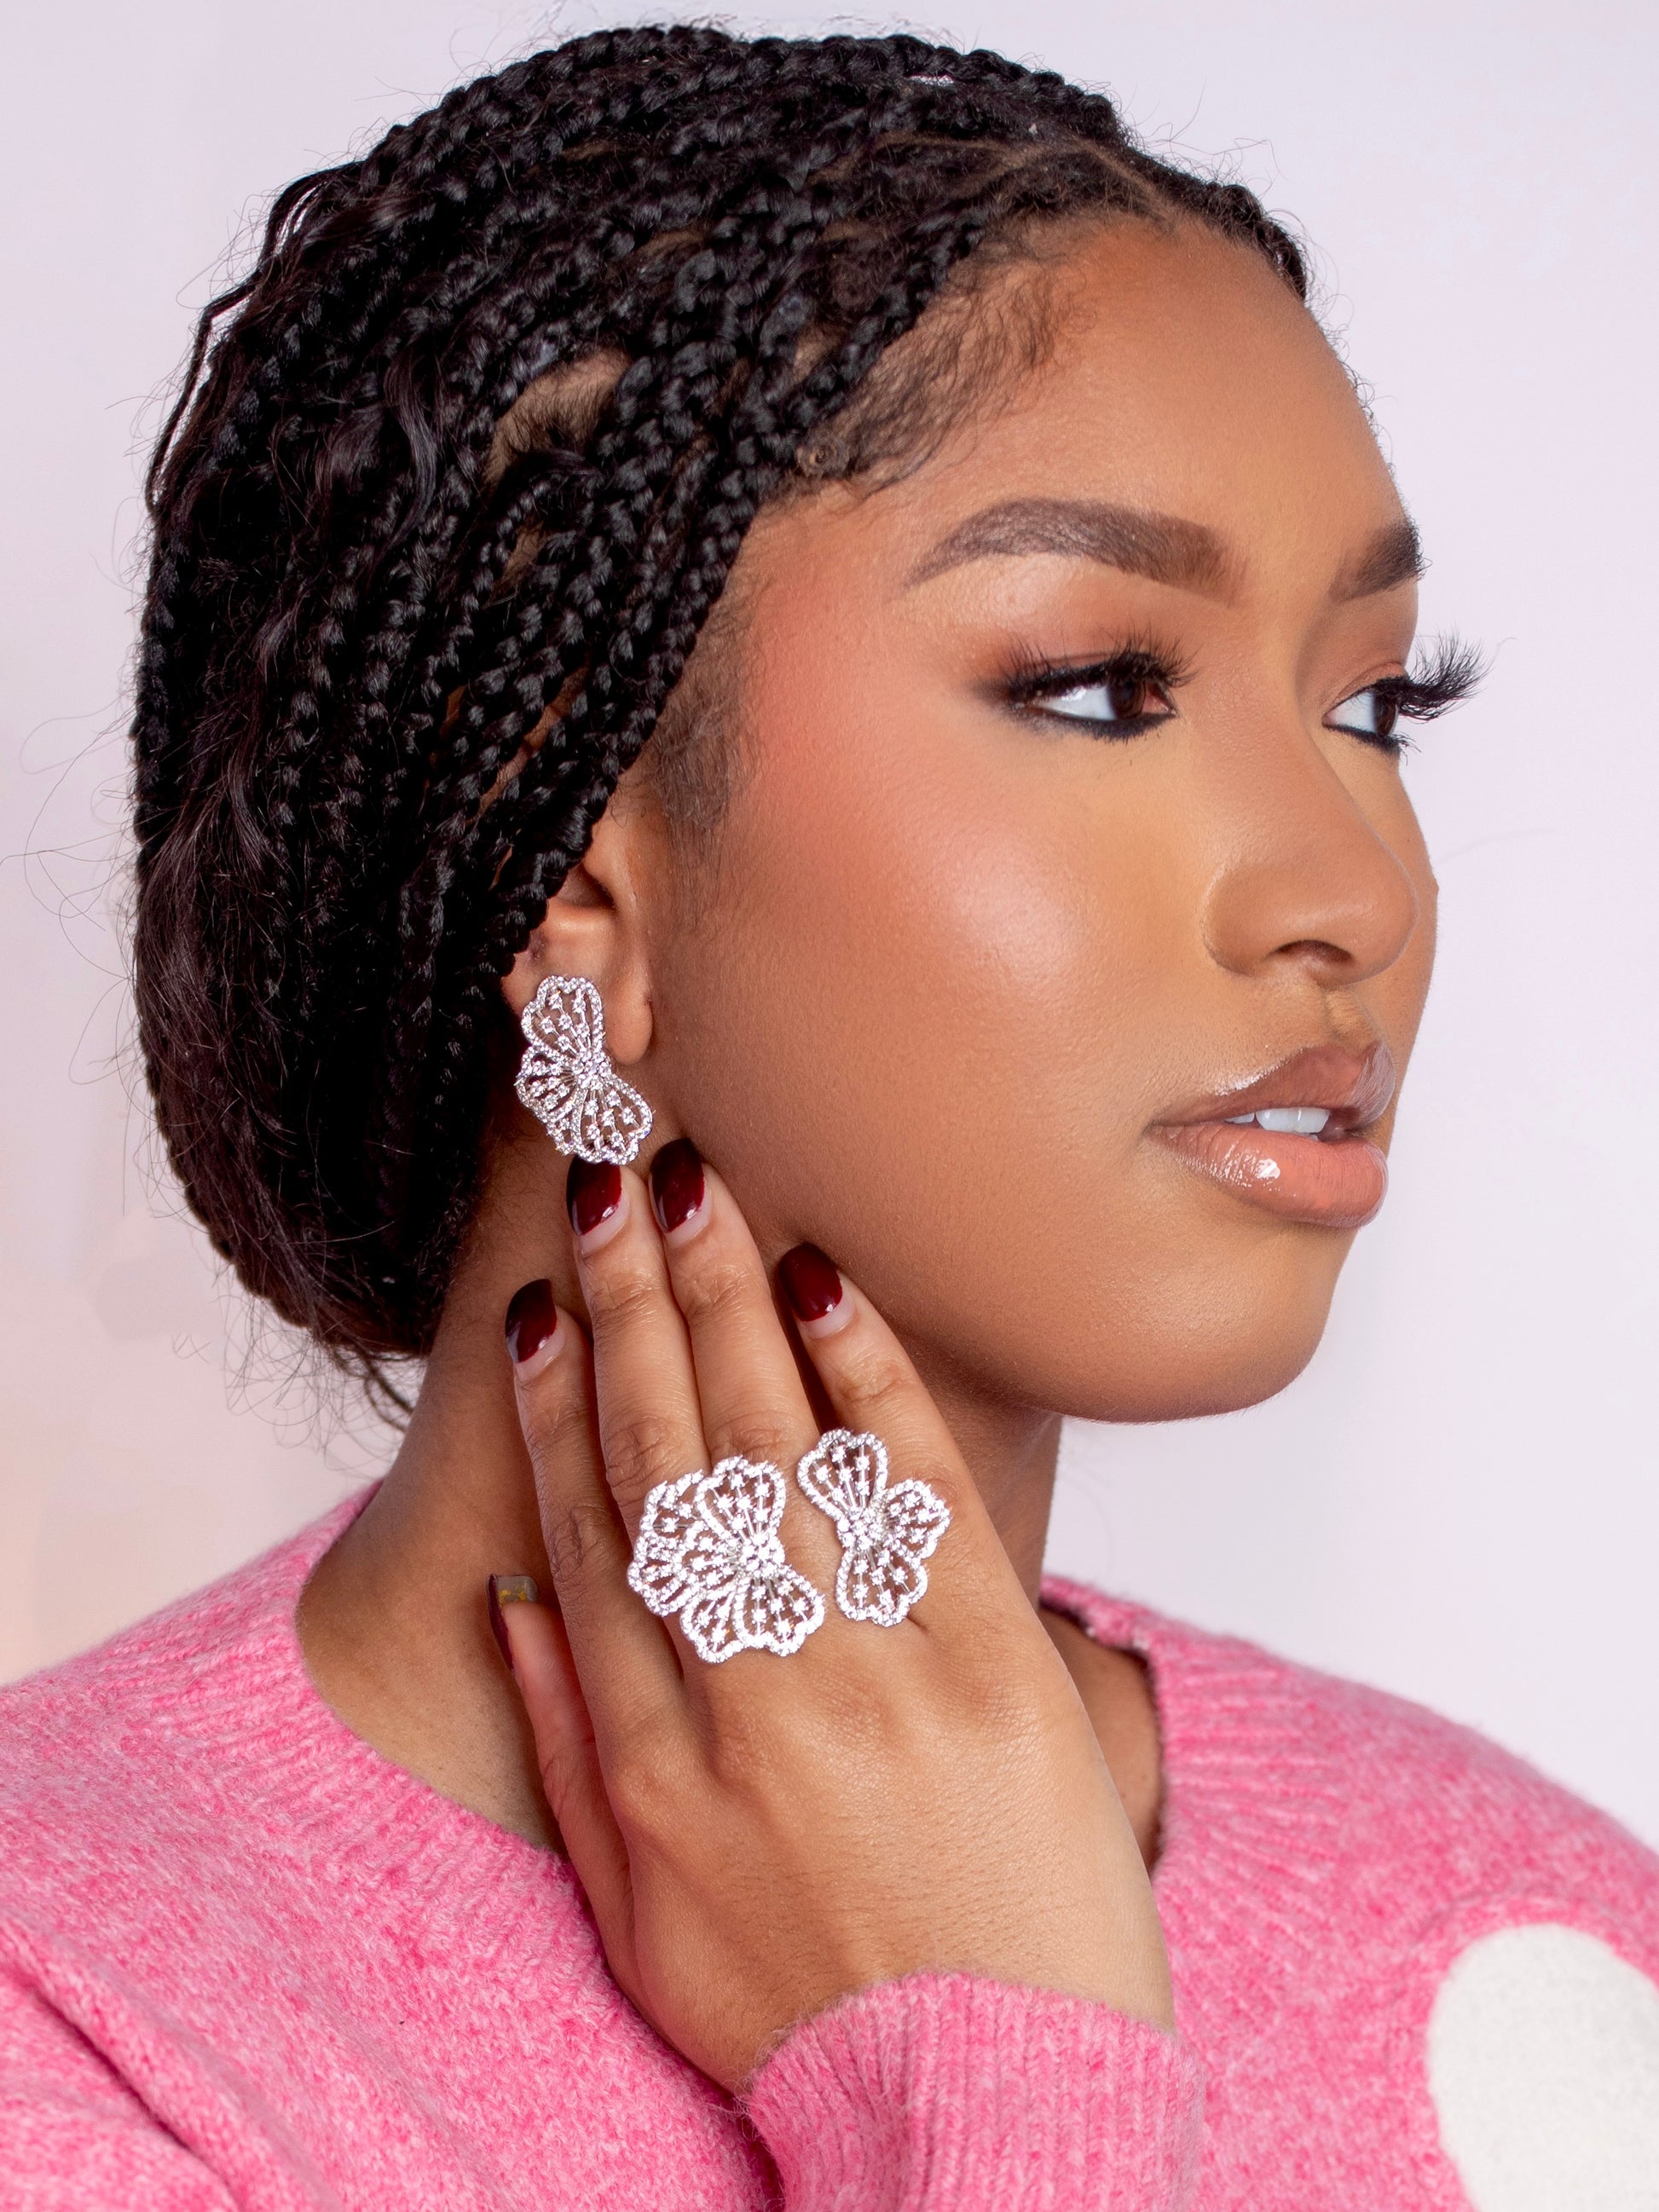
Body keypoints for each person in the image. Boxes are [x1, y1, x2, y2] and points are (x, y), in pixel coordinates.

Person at [3, 23, 1656, 2208]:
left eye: (1372, 704)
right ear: (566, 861)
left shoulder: (1547, 1941)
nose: (1353, 889)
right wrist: (992, 2062)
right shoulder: (82, 2008)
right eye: (1103, 688)